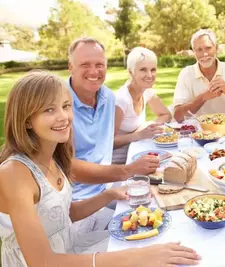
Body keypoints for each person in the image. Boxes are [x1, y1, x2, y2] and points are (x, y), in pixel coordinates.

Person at [0, 71, 201, 267]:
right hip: (48, 262)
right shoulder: (14, 174)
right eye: (49, 110)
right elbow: (42, 262)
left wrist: (109, 195)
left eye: (66, 106)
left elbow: (63, 214)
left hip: (68, 249)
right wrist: (136, 257)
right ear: (26, 120)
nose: (63, 117)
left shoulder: (53, 157)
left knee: (159, 240)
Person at [67, 37, 160, 202]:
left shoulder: (108, 97)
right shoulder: (59, 102)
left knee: (159, 196)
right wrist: (128, 170)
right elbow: (67, 167)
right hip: (76, 199)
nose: (94, 71)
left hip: (107, 185)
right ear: (70, 67)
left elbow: (104, 148)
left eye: (99, 64)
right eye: (85, 65)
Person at [173, 29, 225, 122]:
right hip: (199, 133)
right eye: (199, 50)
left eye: (208, 48)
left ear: (216, 48)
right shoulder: (186, 74)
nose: (204, 54)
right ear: (194, 52)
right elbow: (178, 116)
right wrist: (202, 98)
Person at [113, 47, 172, 164]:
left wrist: (150, 126)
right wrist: (139, 134)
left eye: (153, 69)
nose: (149, 75)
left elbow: (166, 115)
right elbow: (109, 142)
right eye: (143, 70)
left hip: (140, 154)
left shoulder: (147, 91)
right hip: (119, 163)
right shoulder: (121, 100)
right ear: (131, 72)